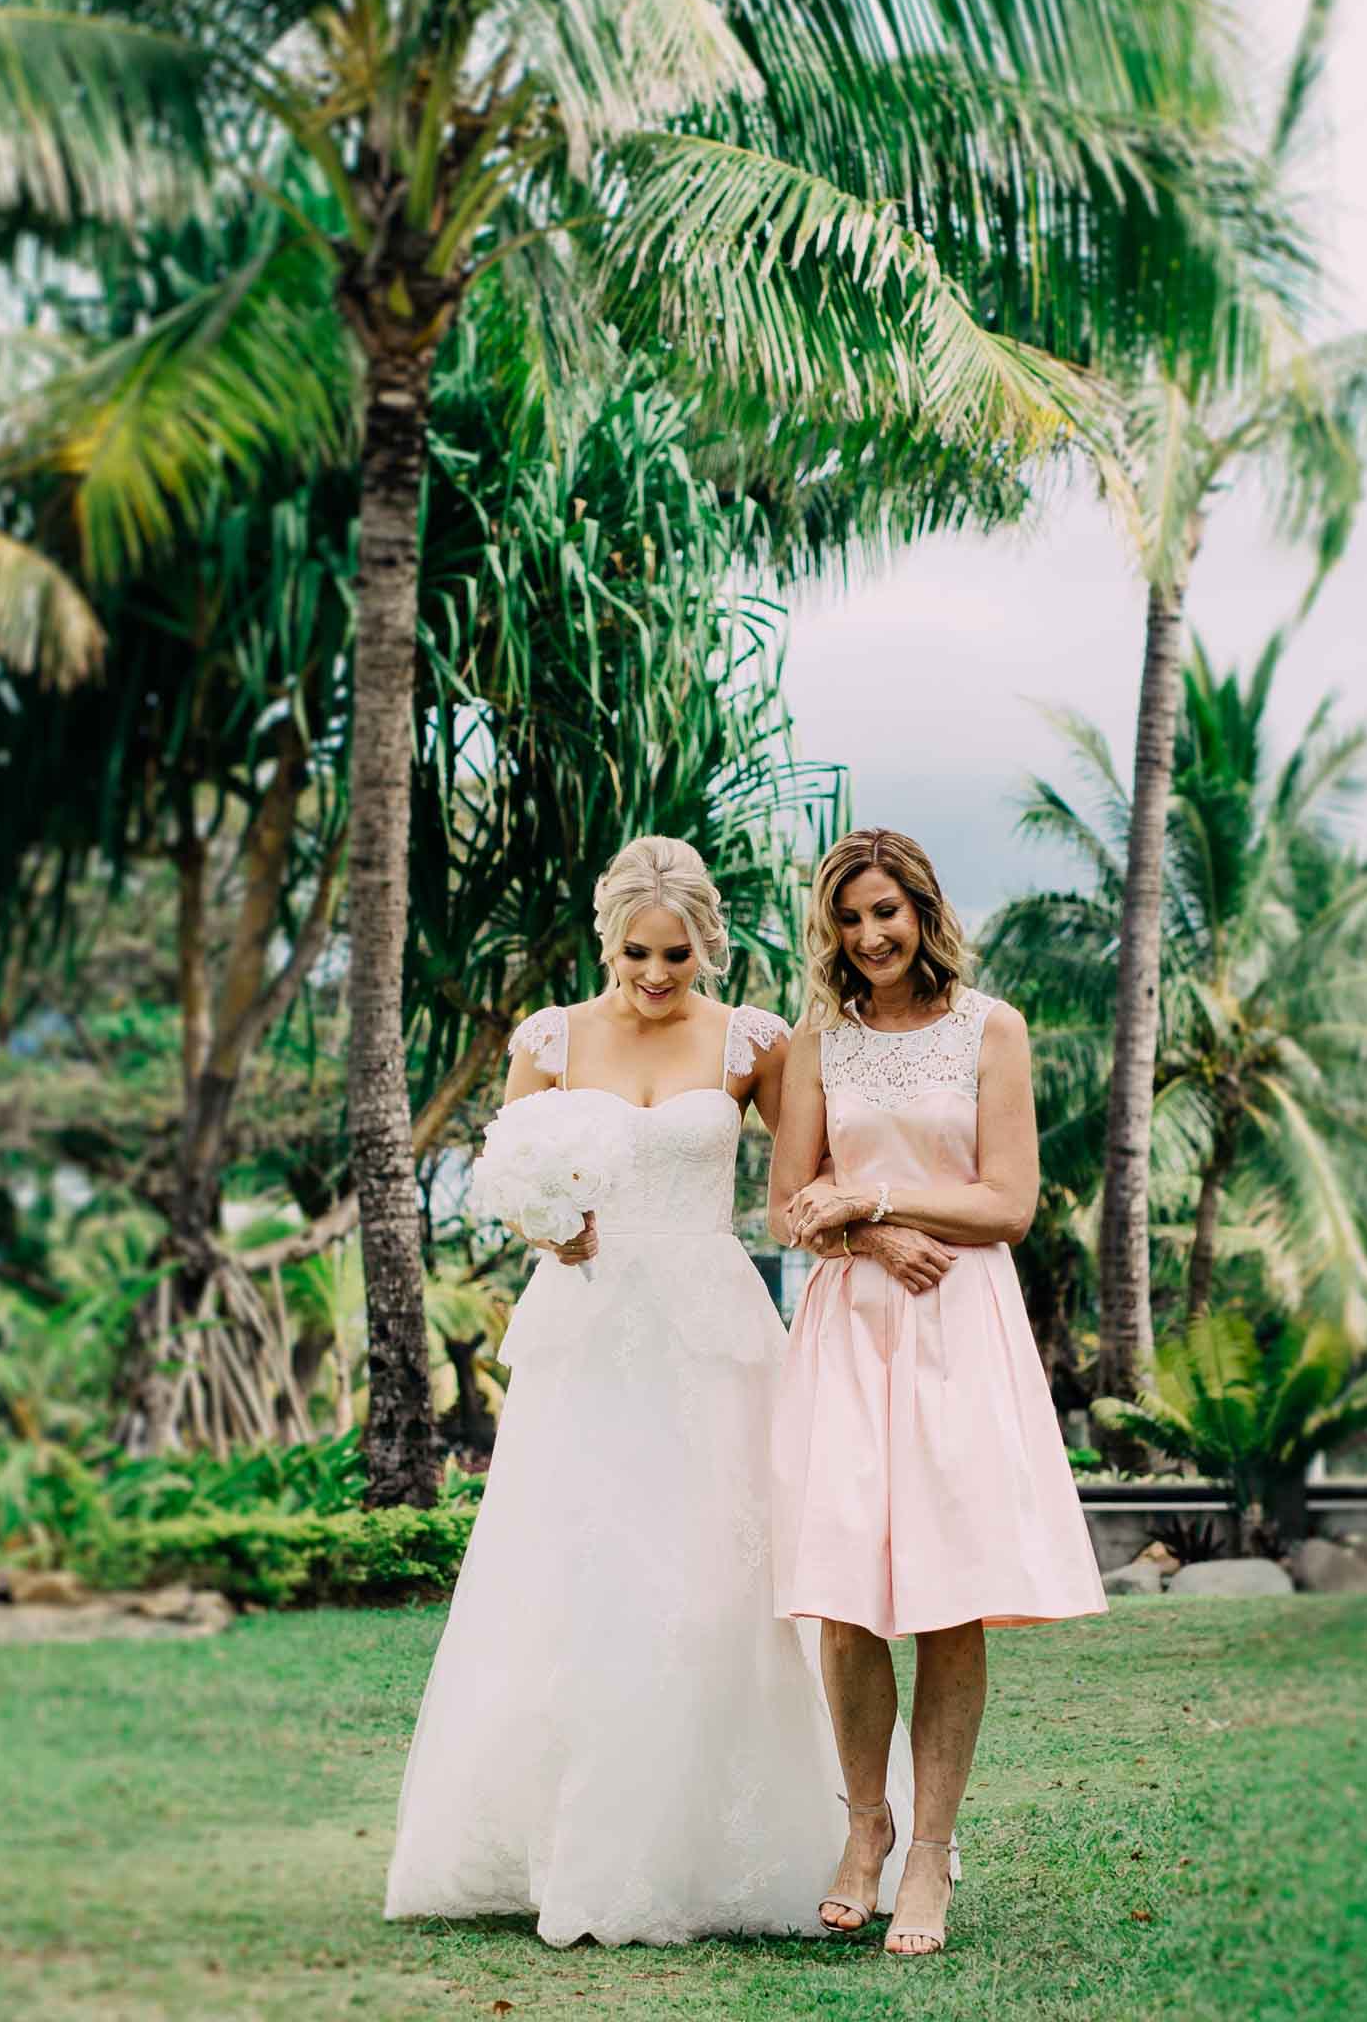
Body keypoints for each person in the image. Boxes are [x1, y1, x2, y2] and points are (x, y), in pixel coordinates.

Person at [385, 833, 911, 1949]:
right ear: (608, 938)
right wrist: (545, 1223)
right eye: (637, 954)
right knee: (575, 1571)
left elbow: (798, 1185)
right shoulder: (551, 1036)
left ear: (706, 942)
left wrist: (883, 1213)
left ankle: (732, 1843)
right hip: (586, 1334)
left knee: (719, 1577)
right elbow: (505, 1176)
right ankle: (564, 1840)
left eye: (678, 954)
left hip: (712, 1335)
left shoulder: (757, 1041)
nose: (658, 976)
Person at [770, 826, 1104, 1959]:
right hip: (852, 1329)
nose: (869, 936)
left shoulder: (989, 1029)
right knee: (848, 1589)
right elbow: (788, 1205)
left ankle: (929, 1858)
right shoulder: (817, 1046)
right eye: (850, 918)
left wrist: (871, 1209)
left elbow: (1008, 1202)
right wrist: (868, 1236)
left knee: (949, 1595)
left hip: (959, 1325)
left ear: (924, 909)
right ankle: (864, 1831)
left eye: (887, 913)